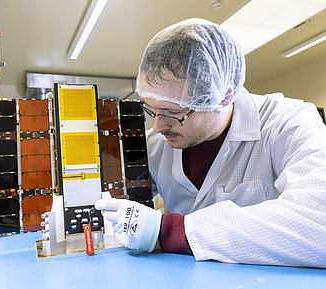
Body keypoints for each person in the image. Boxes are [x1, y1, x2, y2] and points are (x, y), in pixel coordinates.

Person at [95, 18, 326, 268]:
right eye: (152, 109)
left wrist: (168, 231)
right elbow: (124, 202)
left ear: (223, 96)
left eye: (172, 112)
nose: (158, 127)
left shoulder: (287, 123)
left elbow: (319, 224)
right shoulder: (156, 143)